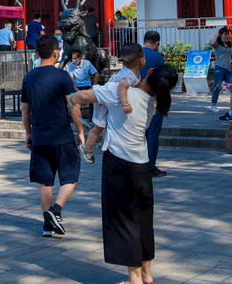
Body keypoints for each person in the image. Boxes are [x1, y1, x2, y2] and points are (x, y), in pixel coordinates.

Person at [71, 65, 179, 284]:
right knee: (143, 221)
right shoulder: (151, 101)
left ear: (148, 74)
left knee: (124, 221)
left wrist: (68, 94)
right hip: (142, 165)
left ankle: (134, 279)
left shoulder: (123, 94)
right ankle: (147, 275)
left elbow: (81, 96)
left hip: (119, 165)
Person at [21, 33, 85, 238]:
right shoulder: (62, 76)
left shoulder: (29, 77)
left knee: (45, 182)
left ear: (38, 53)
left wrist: (28, 134)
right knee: (70, 175)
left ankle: (46, 226)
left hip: (40, 137)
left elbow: (25, 110)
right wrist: (81, 131)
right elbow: (74, 105)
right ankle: (55, 211)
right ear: (56, 53)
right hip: (62, 136)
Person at [83, 43, 143, 164]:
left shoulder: (131, 72)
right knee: (100, 126)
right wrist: (125, 103)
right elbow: (122, 86)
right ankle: (87, 148)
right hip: (106, 100)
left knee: (108, 123)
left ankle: (104, 143)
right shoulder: (130, 75)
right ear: (141, 60)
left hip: (111, 99)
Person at [140, 31, 167, 177]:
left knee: (140, 133)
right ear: (157, 42)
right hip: (153, 97)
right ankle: (150, 166)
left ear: (144, 41)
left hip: (136, 97)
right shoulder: (157, 57)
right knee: (153, 133)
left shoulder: (136, 54)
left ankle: (140, 164)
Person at [209, 27, 232, 113]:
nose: (227, 36)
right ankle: (213, 105)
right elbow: (212, 43)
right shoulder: (217, 44)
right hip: (219, 68)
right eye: (225, 34)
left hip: (228, 69)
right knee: (218, 86)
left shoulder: (230, 44)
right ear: (221, 35)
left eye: (228, 34)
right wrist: (217, 36)